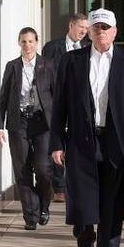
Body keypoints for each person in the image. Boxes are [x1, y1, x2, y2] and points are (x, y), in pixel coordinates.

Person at [49, 8, 124, 247]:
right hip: (81, 143)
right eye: (96, 28)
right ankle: (85, 245)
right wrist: (56, 142)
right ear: (89, 32)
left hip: (117, 146)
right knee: (81, 206)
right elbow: (59, 106)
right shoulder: (72, 62)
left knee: (111, 211)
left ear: (115, 32)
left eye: (106, 28)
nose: (101, 32)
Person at [0, 27, 56, 231]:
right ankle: (30, 216)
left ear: (37, 42)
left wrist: (60, 124)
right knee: (22, 171)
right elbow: (2, 99)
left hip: (42, 123)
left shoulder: (47, 65)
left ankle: (43, 206)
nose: (27, 45)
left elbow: (57, 96)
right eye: (23, 42)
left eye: (31, 41)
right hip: (18, 123)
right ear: (19, 43)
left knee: (43, 169)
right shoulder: (12, 67)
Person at [42, 13, 89, 203]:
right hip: (56, 101)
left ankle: (78, 184)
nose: (84, 32)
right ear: (71, 25)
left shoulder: (88, 48)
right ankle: (59, 187)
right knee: (58, 143)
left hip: (79, 103)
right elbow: (43, 74)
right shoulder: (53, 48)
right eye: (81, 28)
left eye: (86, 29)